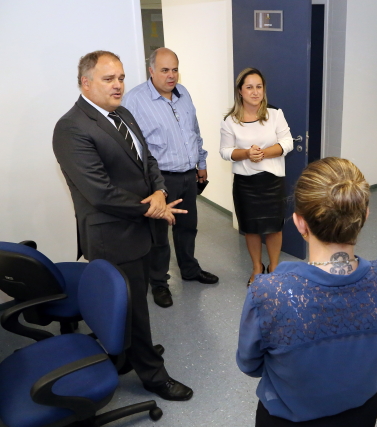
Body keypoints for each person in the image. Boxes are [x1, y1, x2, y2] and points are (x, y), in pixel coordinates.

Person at [52, 50, 193, 401]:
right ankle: (153, 375)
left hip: (139, 230)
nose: (118, 85)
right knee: (132, 309)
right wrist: (154, 209)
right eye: (108, 79)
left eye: (121, 78)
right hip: (112, 235)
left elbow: (148, 160)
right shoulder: (71, 128)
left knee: (133, 303)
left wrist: (159, 191)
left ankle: (128, 352)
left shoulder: (123, 114)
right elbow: (100, 193)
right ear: (85, 83)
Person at [237, 157, 377, 426]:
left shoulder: (270, 293)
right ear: (365, 215)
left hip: (289, 418)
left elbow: (249, 363)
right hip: (361, 413)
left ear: (300, 223)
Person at [122, 47, 217, 309]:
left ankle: (189, 269)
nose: (171, 75)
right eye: (165, 70)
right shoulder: (134, 101)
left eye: (175, 69)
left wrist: (201, 163)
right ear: (151, 71)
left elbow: (194, 130)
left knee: (187, 227)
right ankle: (159, 283)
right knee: (158, 236)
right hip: (159, 180)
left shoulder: (183, 93)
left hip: (187, 175)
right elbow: (131, 147)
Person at [219, 68, 293, 285]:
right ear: (240, 91)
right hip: (246, 184)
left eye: (259, 87)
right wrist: (246, 154)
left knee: (274, 228)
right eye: (249, 87)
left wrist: (264, 153)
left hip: (272, 182)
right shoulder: (230, 121)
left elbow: (288, 142)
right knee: (251, 229)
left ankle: (274, 266)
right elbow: (225, 151)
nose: (255, 92)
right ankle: (257, 267)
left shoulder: (275, 114)